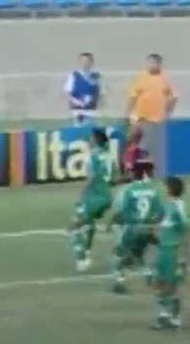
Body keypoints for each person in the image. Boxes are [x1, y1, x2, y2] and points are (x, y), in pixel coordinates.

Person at [108, 157, 163, 293]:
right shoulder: (154, 190)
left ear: (135, 173)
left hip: (131, 229)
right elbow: (160, 212)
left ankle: (119, 282)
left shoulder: (128, 190)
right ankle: (149, 275)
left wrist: (112, 222)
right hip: (146, 229)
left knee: (118, 253)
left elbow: (122, 211)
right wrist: (152, 227)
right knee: (137, 255)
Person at [68, 128, 114, 272]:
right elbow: (116, 176)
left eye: (92, 138)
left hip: (93, 197)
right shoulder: (108, 155)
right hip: (106, 197)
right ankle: (87, 251)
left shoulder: (93, 156)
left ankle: (82, 258)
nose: (90, 140)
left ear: (96, 140)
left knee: (74, 226)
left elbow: (91, 177)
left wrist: (82, 195)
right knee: (89, 223)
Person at [151, 176, 190, 330]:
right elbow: (157, 220)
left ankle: (172, 317)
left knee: (171, 285)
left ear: (170, 189)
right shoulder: (165, 205)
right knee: (160, 283)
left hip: (173, 251)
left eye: (165, 186)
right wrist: (154, 233)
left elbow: (186, 232)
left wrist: (183, 257)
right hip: (163, 249)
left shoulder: (178, 207)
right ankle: (164, 315)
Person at [126, 54, 178, 159]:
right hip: (140, 117)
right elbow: (133, 96)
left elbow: (174, 96)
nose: (149, 65)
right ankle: (133, 166)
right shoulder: (141, 77)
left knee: (151, 146)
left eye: (152, 63)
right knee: (136, 143)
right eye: (148, 63)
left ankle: (150, 168)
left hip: (156, 119)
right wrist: (129, 112)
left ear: (159, 64)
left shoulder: (164, 78)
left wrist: (168, 111)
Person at [63, 52, 102, 126]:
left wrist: (97, 103)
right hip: (77, 111)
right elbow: (67, 92)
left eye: (87, 61)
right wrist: (76, 101)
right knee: (78, 131)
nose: (84, 64)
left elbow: (101, 94)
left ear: (91, 63)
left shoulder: (97, 77)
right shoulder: (73, 76)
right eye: (82, 61)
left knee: (92, 131)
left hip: (92, 111)